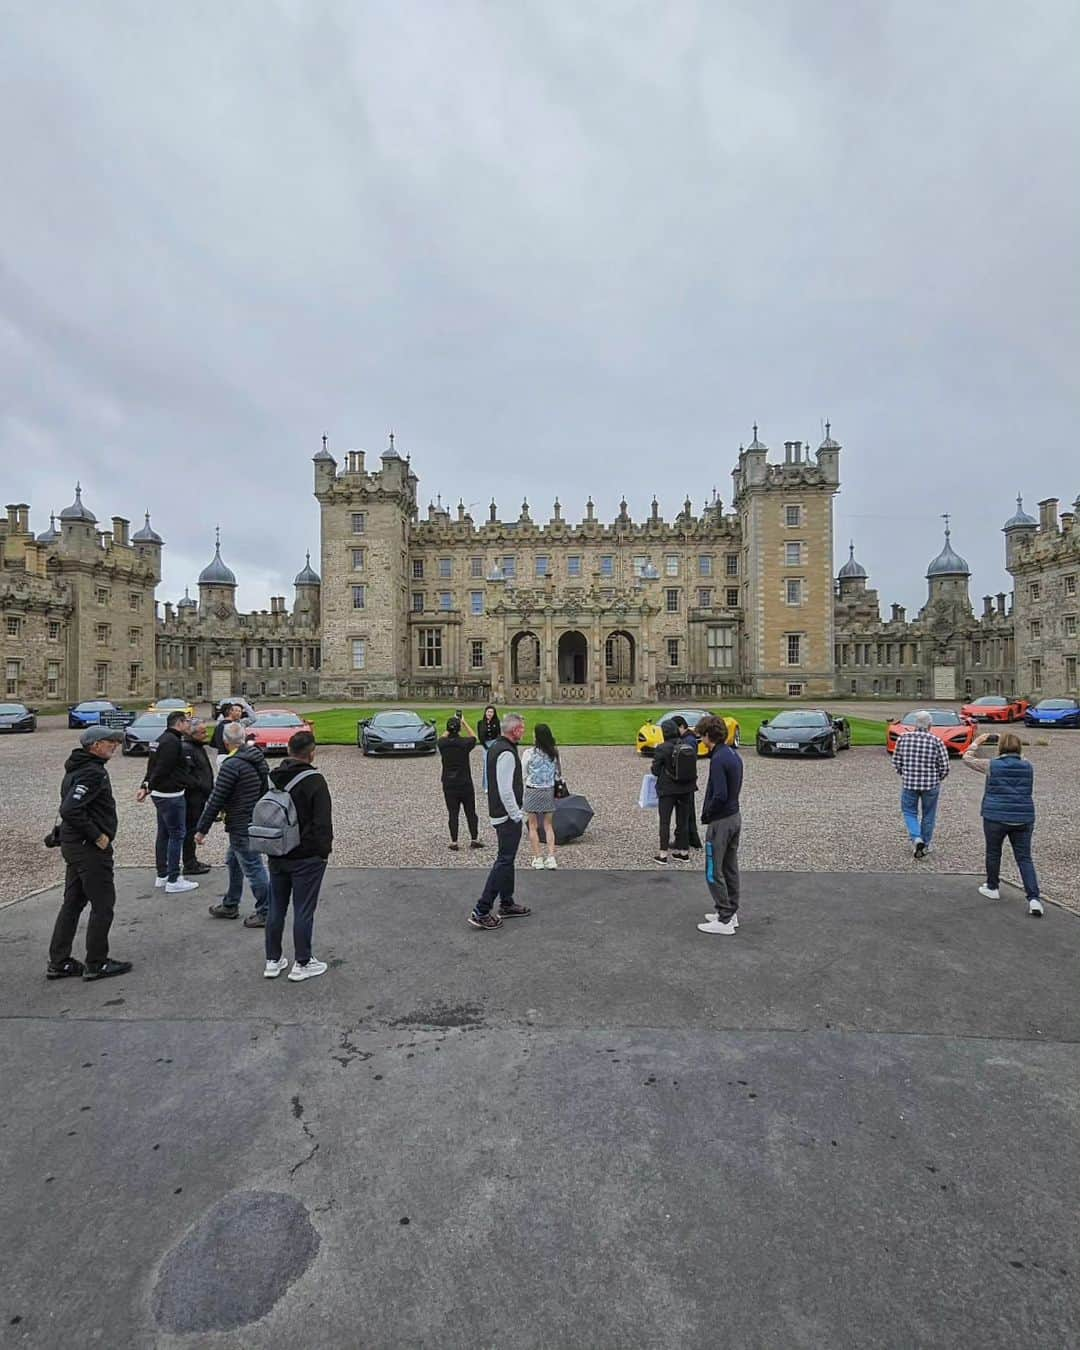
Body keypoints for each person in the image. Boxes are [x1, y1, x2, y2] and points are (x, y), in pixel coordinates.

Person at [46, 726, 133, 982]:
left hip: (74, 845)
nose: (114, 746)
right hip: (89, 848)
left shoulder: (79, 767)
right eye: (109, 742)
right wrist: (97, 835)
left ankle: (59, 962)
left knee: (73, 903)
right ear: (94, 746)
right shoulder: (91, 773)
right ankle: (97, 962)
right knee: (103, 905)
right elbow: (70, 809)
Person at [264, 730, 335, 981]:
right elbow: (322, 824)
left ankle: (272, 960)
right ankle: (302, 963)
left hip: (277, 851)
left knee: (276, 908)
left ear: (288, 751)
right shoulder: (315, 780)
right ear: (311, 752)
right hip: (306, 856)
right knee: (303, 909)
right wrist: (323, 852)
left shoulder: (273, 777)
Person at [195, 721, 271, 926]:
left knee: (253, 867)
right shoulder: (257, 758)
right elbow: (265, 789)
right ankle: (230, 903)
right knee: (233, 861)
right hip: (251, 818)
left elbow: (216, 798)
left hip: (240, 822)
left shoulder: (231, 765)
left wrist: (202, 829)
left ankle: (266, 911)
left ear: (226, 743)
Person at [962, 731, 1044, 917]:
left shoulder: (992, 765)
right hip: (1023, 816)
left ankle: (993, 886)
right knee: (1024, 858)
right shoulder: (1027, 766)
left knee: (993, 851)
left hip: (995, 815)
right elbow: (1021, 757)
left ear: (1000, 748)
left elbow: (967, 759)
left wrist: (977, 742)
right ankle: (1034, 899)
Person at [469, 712, 531, 929]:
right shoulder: (505, 752)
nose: (524, 731)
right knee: (504, 860)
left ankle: (506, 902)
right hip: (505, 816)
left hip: (501, 813)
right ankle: (482, 909)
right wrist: (517, 815)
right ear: (515, 731)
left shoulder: (498, 747)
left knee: (507, 858)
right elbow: (505, 790)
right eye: (522, 728)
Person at [136, 710, 198, 894]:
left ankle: (162, 875)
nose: (189, 725)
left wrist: (146, 785)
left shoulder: (160, 739)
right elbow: (162, 768)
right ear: (179, 723)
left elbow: (152, 766)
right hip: (171, 794)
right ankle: (173, 878)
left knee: (163, 834)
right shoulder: (172, 742)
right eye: (187, 722)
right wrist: (147, 787)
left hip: (160, 794)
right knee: (177, 834)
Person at [696, 716, 744, 935]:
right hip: (734, 816)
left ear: (708, 735)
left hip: (722, 821)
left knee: (713, 869)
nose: (701, 740)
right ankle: (730, 912)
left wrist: (707, 814)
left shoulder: (717, 759)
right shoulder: (732, 754)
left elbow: (720, 794)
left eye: (702, 736)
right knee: (729, 867)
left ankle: (724, 918)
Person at [892, 710, 949, 858]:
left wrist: (905, 774)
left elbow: (896, 762)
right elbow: (944, 766)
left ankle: (916, 838)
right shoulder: (936, 741)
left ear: (915, 724)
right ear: (930, 725)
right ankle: (926, 844)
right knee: (928, 815)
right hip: (930, 784)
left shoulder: (903, 739)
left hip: (910, 783)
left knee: (909, 812)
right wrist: (938, 778)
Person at [437, 713, 483, 851]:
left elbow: (442, 737)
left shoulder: (442, 744)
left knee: (453, 813)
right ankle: (474, 838)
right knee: (470, 812)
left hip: (449, 783)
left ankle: (454, 841)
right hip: (464, 783)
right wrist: (464, 722)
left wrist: (450, 727)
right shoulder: (464, 743)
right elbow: (474, 737)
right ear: (459, 730)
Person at [651, 718, 695, 862]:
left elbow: (655, 771)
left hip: (667, 789)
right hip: (686, 788)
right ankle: (683, 852)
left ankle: (663, 854)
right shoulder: (687, 745)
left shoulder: (662, 748)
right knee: (682, 821)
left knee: (665, 821)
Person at [523, 722, 560, 870]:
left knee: (533, 826)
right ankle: (551, 857)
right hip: (548, 790)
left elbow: (524, 772)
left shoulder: (529, 753)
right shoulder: (553, 753)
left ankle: (538, 858)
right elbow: (557, 773)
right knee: (548, 825)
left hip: (533, 790)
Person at [181, 717, 214, 876]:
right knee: (190, 830)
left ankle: (191, 860)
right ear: (192, 734)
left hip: (200, 796)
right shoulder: (187, 749)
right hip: (192, 798)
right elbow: (187, 775)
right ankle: (189, 863)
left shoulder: (197, 747)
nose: (206, 734)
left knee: (193, 828)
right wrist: (200, 785)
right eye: (202, 732)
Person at [672, 715, 703, 849]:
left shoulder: (688, 740)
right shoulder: (688, 739)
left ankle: (686, 839)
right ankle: (691, 838)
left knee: (685, 813)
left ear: (681, 726)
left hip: (686, 781)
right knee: (688, 812)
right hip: (688, 780)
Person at [478, 705, 501, 790]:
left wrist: (496, 745)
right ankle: (487, 786)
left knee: (496, 763)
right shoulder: (480, 723)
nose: (489, 713)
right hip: (486, 745)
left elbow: (499, 734)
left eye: (491, 712)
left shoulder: (496, 722)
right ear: (485, 712)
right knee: (487, 764)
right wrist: (486, 747)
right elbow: (480, 736)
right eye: (488, 712)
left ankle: (496, 784)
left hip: (494, 743)